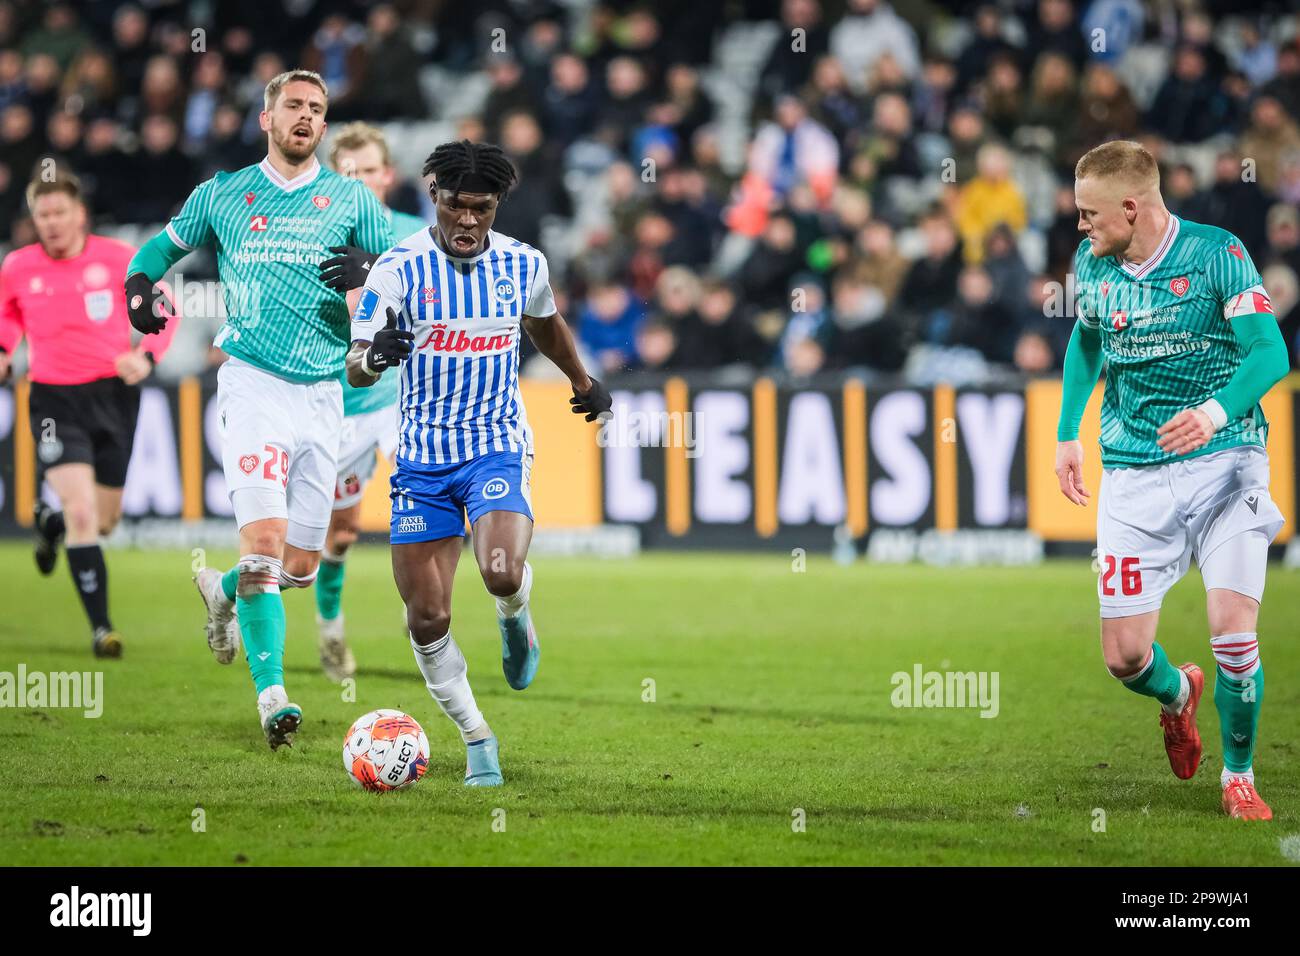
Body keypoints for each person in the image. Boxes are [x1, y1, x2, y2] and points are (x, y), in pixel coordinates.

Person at [123, 70, 394, 749]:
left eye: (317, 110)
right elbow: (158, 251)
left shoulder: (352, 199)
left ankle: (219, 594)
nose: (306, 117)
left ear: (324, 128)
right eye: (294, 106)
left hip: (326, 390)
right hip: (252, 383)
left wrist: (372, 274)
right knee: (264, 545)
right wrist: (138, 290)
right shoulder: (224, 194)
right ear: (267, 117)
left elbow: (402, 280)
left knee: (297, 567)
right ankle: (272, 698)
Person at [346, 139, 611, 786]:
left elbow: (543, 324)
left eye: (482, 210)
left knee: (499, 571)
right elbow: (356, 369)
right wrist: (377, 354)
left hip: (495, 443)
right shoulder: (398, 269)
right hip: (422, 461)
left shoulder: (524, 264)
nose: (467, 221)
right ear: (433, 197)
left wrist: (581, 379)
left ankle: (516, 619)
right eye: (456, 206)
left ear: (497, 207)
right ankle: (477, 737)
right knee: (428, 615)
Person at [1055, 141, 1289, 820]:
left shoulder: (1218, 254)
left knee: (1233, 634)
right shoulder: (1093, 263)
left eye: (1089, 213)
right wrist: (1068, 433)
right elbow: (1088, 338)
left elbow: (1269, 350)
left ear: (1131, 207)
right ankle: (1177, 694)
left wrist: (1213, 414)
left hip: (1226, 463)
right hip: (1132, 473)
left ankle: (1238, 776)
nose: (1080, 226)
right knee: (1125, 658)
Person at [0, 170, 176, 658]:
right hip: (53, 400)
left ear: (79, 214)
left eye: (59, 212)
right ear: (33, 219)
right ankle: (103, 629)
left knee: (101, 523)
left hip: (114, 396)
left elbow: (169, 311)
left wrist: (146, 357)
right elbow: (8, 312)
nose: (51, 223)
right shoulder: (17, 266)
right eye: (42, 215)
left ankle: (49, 526)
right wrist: (4, 349)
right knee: (82, 512)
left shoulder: (120, 260)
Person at [312, 122, 427, 682]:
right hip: (345, 402)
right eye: (347, 173)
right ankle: (330, 629)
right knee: (338, 534)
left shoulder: (414, 235)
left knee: (428, 502)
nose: (359, 181)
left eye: (368, 171)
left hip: (405, 398)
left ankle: (426, 614)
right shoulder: (312, 238)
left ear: (388, 176)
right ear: (334, 179)